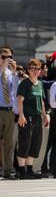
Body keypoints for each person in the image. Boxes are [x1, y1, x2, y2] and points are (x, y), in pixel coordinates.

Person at [16, 59, 49, 179]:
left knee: (36, 143)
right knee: (25, 142)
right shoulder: (24, 83)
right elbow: (20, 99)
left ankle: (29, 169)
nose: (35, 71)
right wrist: (21, 115)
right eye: (32, 69)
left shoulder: (40, 84)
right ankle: (22, 170)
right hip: (26, 116)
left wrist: (45, 116)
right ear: (28, 70)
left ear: (40, 71)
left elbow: (42, 101)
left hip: (37, 117)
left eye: (37, 69)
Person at [0, 47, 18, 179]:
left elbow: (16, 91)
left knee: (9, 143)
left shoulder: (11, 73)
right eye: (3, 57)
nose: (7, 59)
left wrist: (14, 72)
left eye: (9, 57)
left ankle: (7, 170)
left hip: (9, 111)